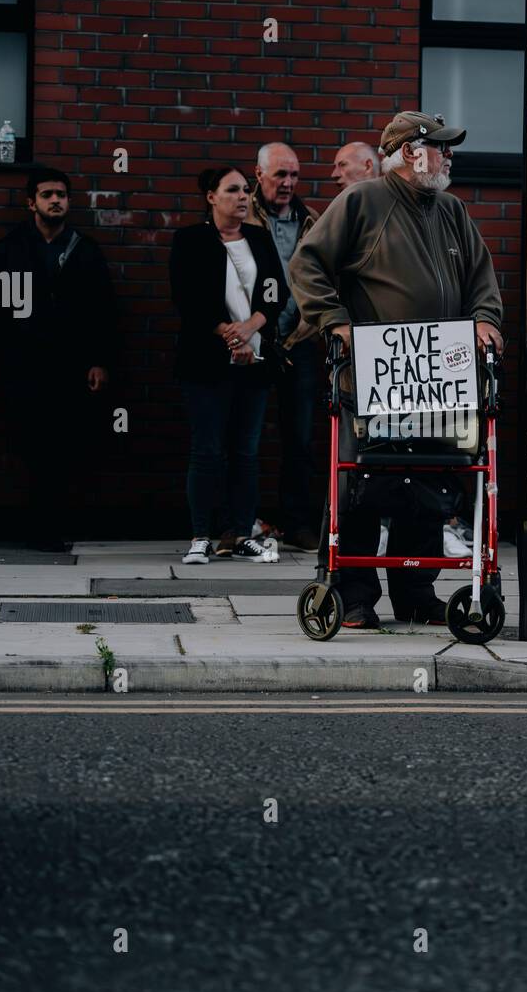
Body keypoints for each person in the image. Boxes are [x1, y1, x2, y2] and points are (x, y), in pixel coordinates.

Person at [289, 109, 503, 628]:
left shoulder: (451, 209)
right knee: (360, 484)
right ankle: (354, 595)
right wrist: (334, 320)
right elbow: (306, 263)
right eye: (442, 147)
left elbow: (481, 279)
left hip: (439, 375)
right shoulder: (363, 200)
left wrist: (485, 319)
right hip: (374, 376)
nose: (449, 156)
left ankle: (415, 592)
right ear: (411, 152)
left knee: (430, 487)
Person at [0, 167, 117, 548]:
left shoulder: (85, 250)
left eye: (61, 194)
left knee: (63, 446)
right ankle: (39, 526)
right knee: (29, 447)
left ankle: (52, 527)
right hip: (24, 368)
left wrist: (100, 361)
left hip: (70, 369)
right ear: (32, 203)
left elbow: (104, 311)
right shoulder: (9, 250)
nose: (56, 200)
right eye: (47, 195)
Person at [170, 166, 288, 566]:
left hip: (254, 361)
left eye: (246, 190)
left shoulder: (258, 237)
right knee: (207, 451)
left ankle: (240, 533)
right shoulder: (190, 240)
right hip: (205, 361)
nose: (243, 196)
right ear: (211, 196)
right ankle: (201, 535)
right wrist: (228, 334)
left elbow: (276, 291)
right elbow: (186, 297)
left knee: (246, 452)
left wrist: (252, 327)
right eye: (233, 190)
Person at [246, 141, 320, 553]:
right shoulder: (242, 217)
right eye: (280, 174)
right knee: (245, 435)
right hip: (253, 340)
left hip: (300, 342)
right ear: (259, 175)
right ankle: (243, 521)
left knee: (300, 438)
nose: (289, 182)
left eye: (294, 175)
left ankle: (297, 522)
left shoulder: (312, 221)